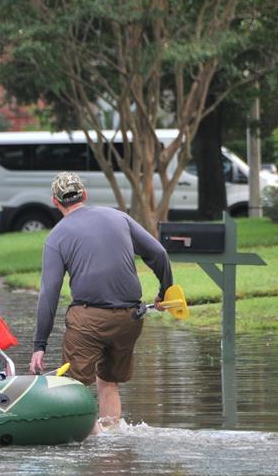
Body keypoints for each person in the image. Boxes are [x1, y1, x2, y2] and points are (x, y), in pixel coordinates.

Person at [29, 172, 173, 432]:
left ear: (55, 202)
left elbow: (49, 294)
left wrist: (40, 344)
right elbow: (159, 253)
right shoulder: (119, 217)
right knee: (108, 381)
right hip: (130, 318)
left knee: (72, 387)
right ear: (84, 195)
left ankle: (92, 440)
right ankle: (111, 442)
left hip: (89, 321)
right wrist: (165, 292)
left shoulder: (56, 237)